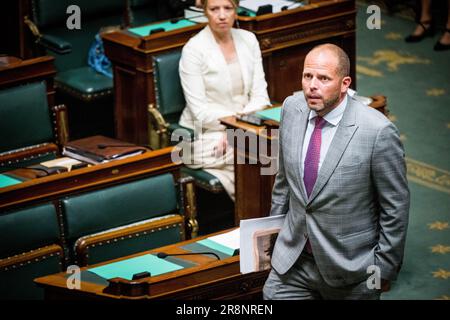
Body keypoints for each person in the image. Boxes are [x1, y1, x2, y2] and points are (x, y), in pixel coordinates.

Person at [263, 44, 410, 300]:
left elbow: (395, 207)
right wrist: (270, 240)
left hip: (350, 270)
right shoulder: (292, 108)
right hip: (293, 260)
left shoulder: (377, 132)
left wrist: (384, 268)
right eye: (308, 76)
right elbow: (284, 182)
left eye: (323, 78)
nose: (312, 85)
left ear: (345, 84)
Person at [178, 0, 270, 201]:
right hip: (202, 134)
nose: (222, 15)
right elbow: (200, 112)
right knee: (263, 154)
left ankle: (257, 213)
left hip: (245, 129)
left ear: (236, 11)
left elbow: (261, 97)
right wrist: (233, 130)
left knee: (259, 151)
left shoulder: (249, 39)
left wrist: (237, 130)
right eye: (214, 9)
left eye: (228, 8)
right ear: (204, 11)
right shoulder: (193, 50)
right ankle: (260, 212)